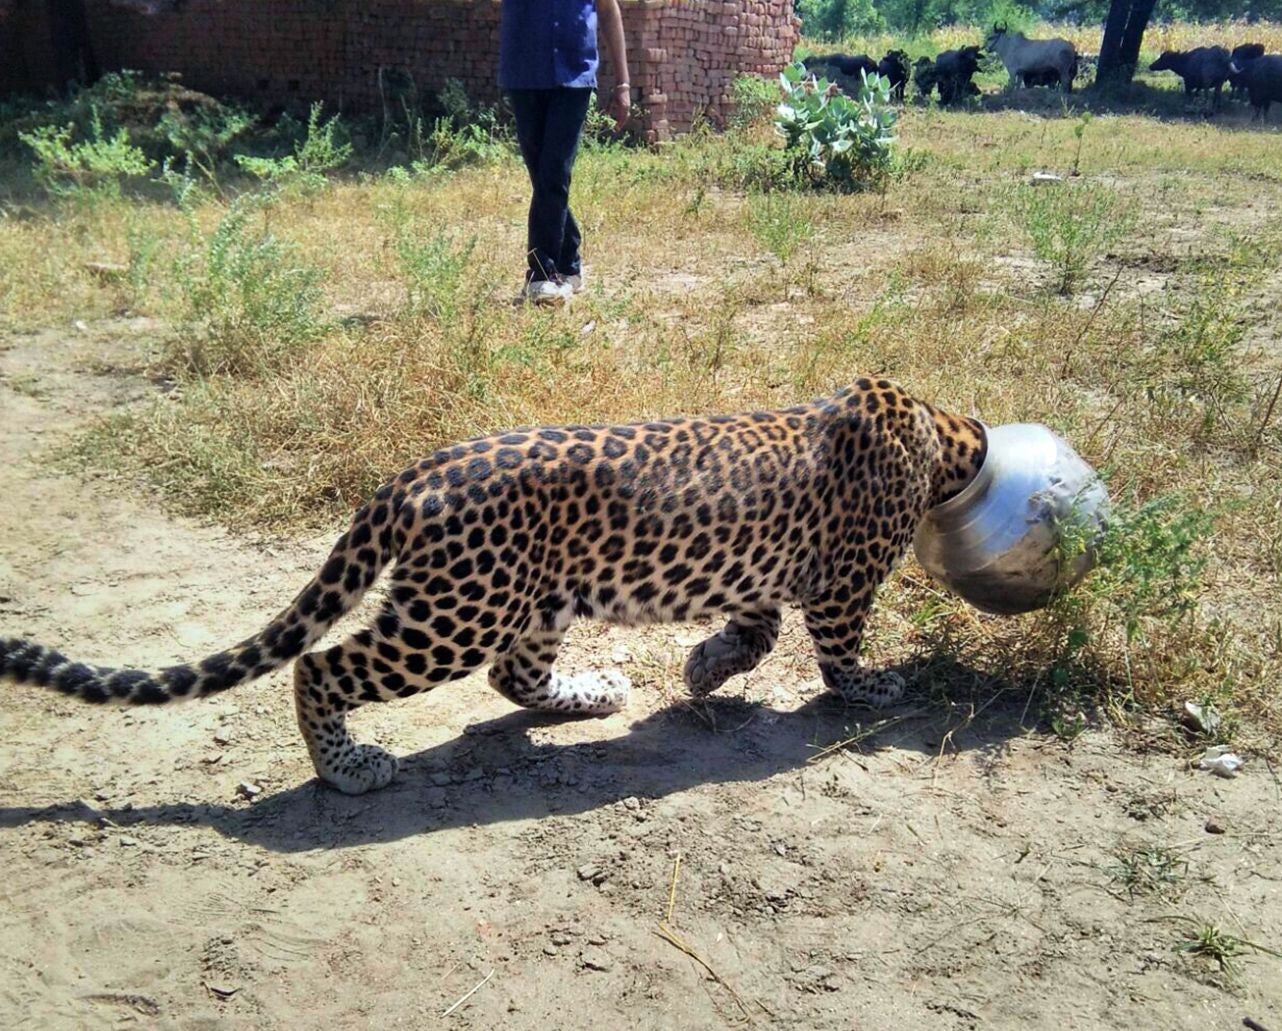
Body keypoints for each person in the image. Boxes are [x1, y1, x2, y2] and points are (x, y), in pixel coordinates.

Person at [499, 0, 631, 305]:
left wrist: (623, 83)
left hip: (574, 78)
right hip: (523, 75)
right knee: (543, 176)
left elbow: (609, 11)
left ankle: (542, 275)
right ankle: (569, 261)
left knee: (554, 171)